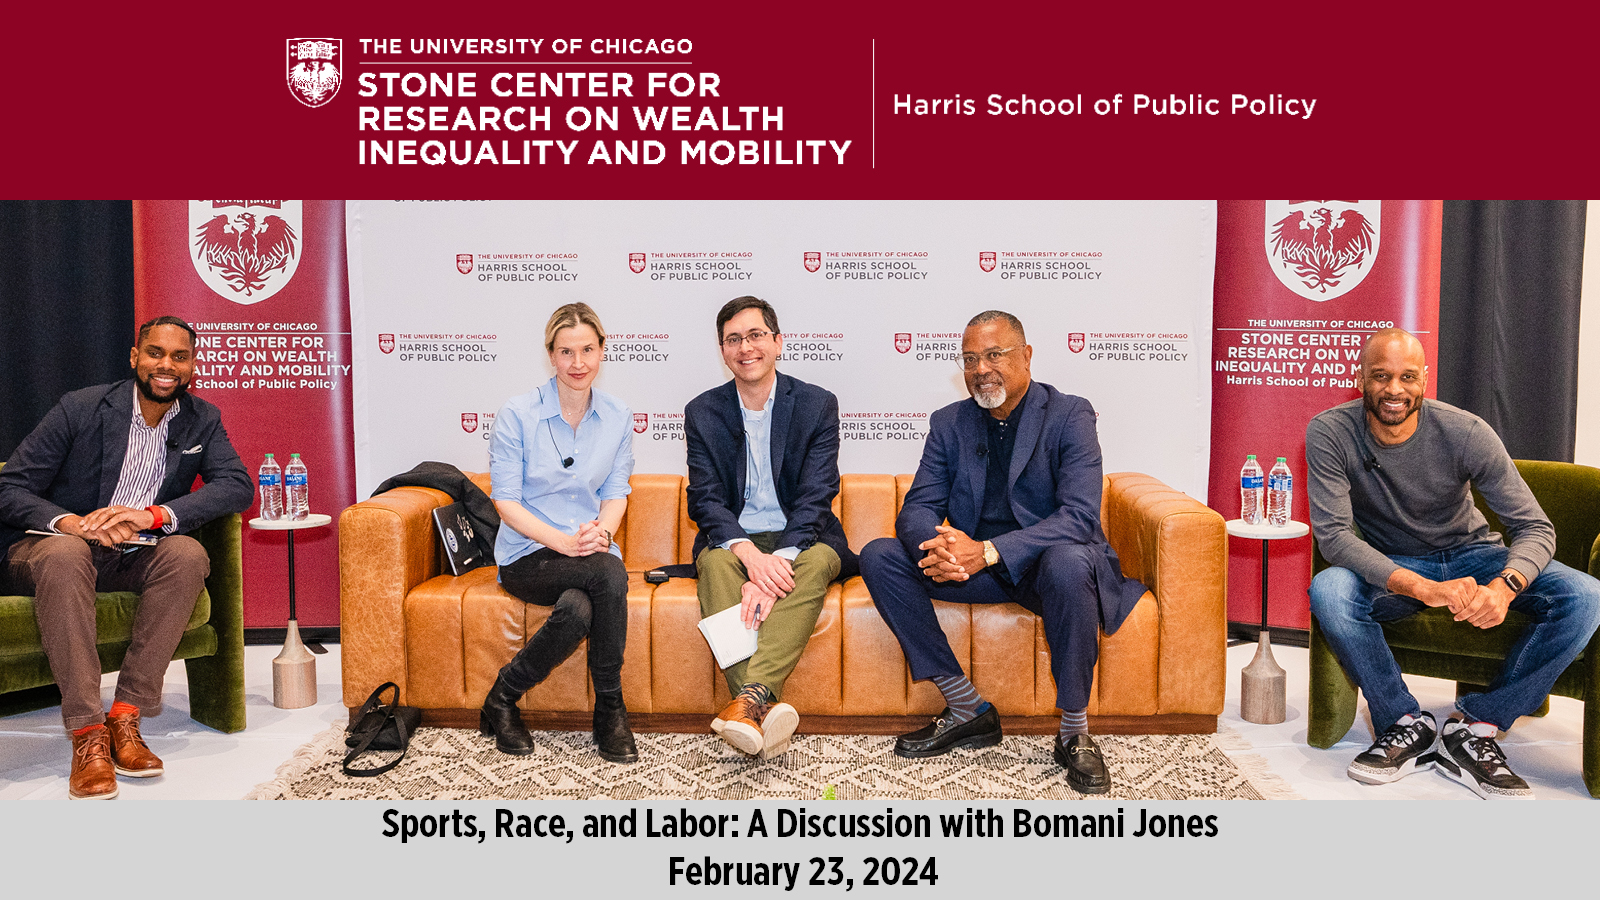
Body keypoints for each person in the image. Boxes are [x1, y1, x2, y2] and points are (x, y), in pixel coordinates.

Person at [859, 310, 1147, 794]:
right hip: (972, 568)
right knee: (879, 554)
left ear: (1026, 355)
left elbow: (1078, 516)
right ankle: (967, 708)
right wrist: (944, 548)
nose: (980, 369)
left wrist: (988, 551)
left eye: (994, 354)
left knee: (1070, 560)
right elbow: (917, 508)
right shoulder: (950, 423)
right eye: (970, 359)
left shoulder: (1070, 413)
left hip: (1047, 569)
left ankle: (1074, 733)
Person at [1307, 328, 1600, 799]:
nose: (1394, 390)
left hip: (1475, 554)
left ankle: (1477, 726)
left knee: (1588, 596)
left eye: (1407, 376)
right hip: (1394, 563)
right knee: (1329, 590)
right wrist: (1422, 587)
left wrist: (1505, 586)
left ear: (1425, 378)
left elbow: (1536, 527)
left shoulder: (1465, 431)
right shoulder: (1329, 432)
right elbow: (1335, 538)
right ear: (1360, 377)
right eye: (1381, 376)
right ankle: (1405, 722)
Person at [0, 316, 252, 800]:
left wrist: (151, 516)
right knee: (68, 553)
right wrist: (74, 522)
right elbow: (10, 487)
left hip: (131, 552)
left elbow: (236, 485)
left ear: (193, 367)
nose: (167, 366)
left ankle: (126, 716)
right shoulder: (80, 408)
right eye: (156, 353)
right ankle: (87, 734)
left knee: (185, 553)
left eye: (180, 357)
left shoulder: (202, 418)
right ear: (135, 358)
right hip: (49, 549)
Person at [685, 296, 858, 758]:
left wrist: (775, 562)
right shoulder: (702, 411)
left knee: (816, 561)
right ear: (723, 351)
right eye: (733, 339)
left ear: (778, 342)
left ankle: (744, 706)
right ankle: (760, 702)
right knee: (717, 566)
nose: (746, 347)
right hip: (734, 539)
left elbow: (817, 494)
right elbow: (705, 499)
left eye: (756, 335)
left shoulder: (817, 404)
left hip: (803, 536)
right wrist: (748, 555)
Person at [483, 302, 638, 764]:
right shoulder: (518, 414)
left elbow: (617, 493)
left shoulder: (617, 415)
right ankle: (610, 707)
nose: (578, 363)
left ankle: (502, 697)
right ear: (551, 355)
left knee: (577, 608)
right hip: (528, 556)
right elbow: (505, 501)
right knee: (609, 577)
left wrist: (602, 535)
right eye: (566, 351)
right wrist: (566, 543)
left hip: (590, 553)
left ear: (602, 350)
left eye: (587, 349)